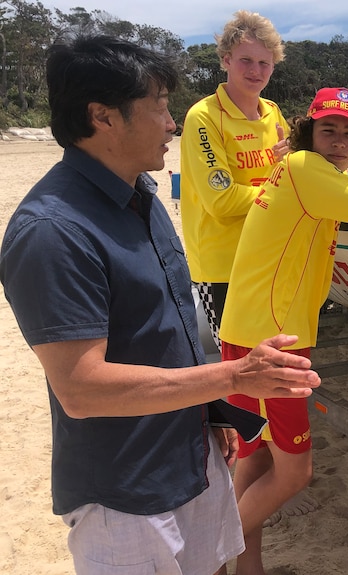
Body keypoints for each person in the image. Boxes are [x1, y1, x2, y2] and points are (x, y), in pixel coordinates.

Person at [0, 35, 320, 575]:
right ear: (103, 116)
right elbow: (80, 388)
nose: (173, 123)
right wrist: (235, 377)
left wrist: (212, 412)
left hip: (191, 454)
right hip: (127, 490)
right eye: (159, 106)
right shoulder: (52, 231)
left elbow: (175, 315)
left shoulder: (140, 195)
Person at [219, 87, 348, 575]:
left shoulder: (297, 170)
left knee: (258, 459)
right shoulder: (308, 170)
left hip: (251, 329)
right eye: (328, 129)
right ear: (309, 132)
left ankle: (246, 568)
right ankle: (207, 553)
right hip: (272, 340)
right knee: (295, 473)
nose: (339, 141)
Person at [180, 10, 288, 350]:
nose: (255, 71)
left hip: (271, 257)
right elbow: (223, 201)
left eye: (264, 63)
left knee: (274, 355)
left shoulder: (272, 112)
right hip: (224, 265)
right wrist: (280, 193)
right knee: (238, 363)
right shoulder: (204, 116)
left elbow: (291, 171)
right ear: (226, 59)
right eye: (246, 60)